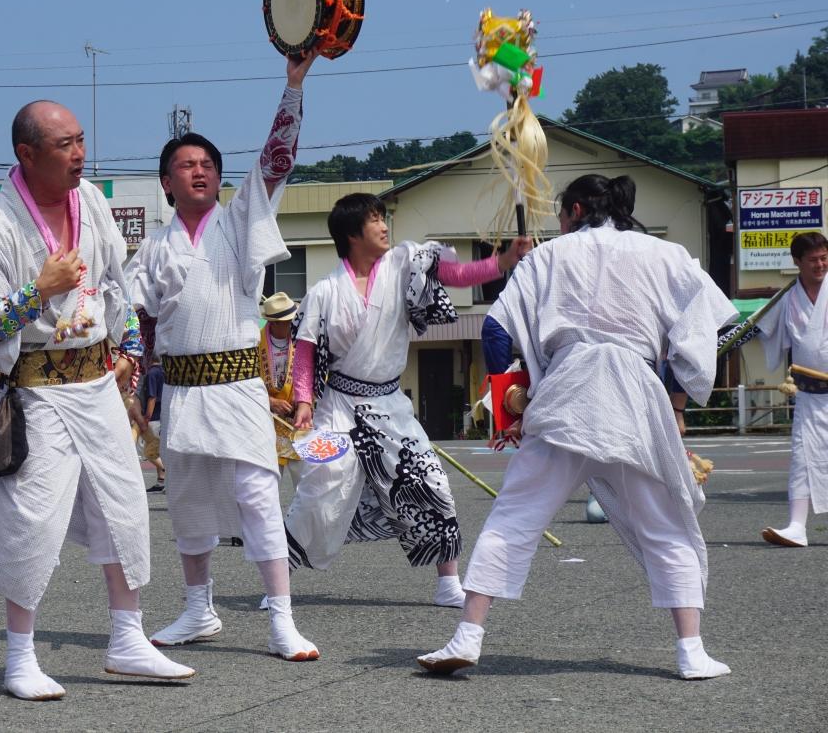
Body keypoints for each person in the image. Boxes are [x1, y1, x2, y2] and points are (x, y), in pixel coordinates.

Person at [419, 174, 736, 680]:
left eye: (562, 214)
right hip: (634, 394)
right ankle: (691, 651)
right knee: (666, 524)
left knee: (514, 516)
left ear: (577, 210)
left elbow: (495, 330)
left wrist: (509, 408)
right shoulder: (666, 254)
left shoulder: (548, 256)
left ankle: (468, 636)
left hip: (567, 390)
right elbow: (704, 329)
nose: (559, 224)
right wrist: (677, 404)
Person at [0, 99, 194, 700]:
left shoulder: (92, 201)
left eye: (81, 140)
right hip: (38, 391)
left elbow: (117, 290)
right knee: (30, 520)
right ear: (26, 154)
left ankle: (128, 638)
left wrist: (130, 351)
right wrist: (38, 291)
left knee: (123, 506)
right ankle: (20, 657)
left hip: (98, 383)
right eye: (65, 144)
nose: (80, 153)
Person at [126, 53, 320, 661]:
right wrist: (130, 375)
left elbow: (275, 161)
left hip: (238, 387)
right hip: (182, 394)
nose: (200, 172)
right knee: (187, 506)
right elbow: (136, 319)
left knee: (258, 497)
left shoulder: (239, 222)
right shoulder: (153, 249)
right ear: (166, 182)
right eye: (187, 165)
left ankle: (282, 620)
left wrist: (293, 86)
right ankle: (197, 608)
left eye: (208, 165)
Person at [286, 193, 529, 607]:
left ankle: (448, 582)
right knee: (320, 485)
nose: (384, 226)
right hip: (339, 405)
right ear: (352, 234)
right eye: (374, 220)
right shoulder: (325, 291)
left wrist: (501, 262)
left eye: (383, 218)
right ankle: (281, 578)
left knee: (429, 479)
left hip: (390, 404)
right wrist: (304, 401)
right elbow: (306, 350)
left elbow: (453, 273)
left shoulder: (404, 264)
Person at [752, 231, 828, 547]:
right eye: (813, 260)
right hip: (809, 394)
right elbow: (763, 328)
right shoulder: (788, 298)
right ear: (797, 262)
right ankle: (797, 526)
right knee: (802, 457)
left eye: (824, 258)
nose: (820, 265)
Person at [259, 292, 304, 490]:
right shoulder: (254, 343)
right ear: (274, 323)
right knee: (266, 487)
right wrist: (269, 401)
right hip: (266, 422)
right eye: (288, 322)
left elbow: (318, 374)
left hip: (298, 422)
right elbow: (245, 382)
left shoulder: (302, 340)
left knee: (306, 487)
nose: (294, 324)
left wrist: (304, 400)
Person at [142, 356, 167, 492]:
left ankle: (165, 469)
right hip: (163, 414)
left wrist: (147, 417)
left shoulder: (152, 373)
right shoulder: (164, 370)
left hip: (154, 415)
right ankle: (161, 481)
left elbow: (152, 397)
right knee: (158, 450)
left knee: (149, 451)